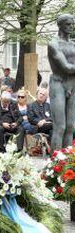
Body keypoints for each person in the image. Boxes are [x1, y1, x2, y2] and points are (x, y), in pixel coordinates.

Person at [48, 14, 75, 150]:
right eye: (68, 24)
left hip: (73, 84)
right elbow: (66, 67)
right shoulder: (54, 44)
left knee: (71, 126)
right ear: (60, 25)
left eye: (72, 24)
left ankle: (66, 164)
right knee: (60, 126)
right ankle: (54, 163)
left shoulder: (74, 44)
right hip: (58, 83)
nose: (71, 27)